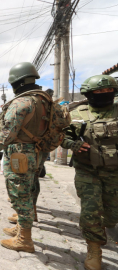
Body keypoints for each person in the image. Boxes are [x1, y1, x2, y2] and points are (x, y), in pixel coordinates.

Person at [0, 62, 49, 253]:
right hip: (37, 151)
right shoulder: (43, 100)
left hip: (20, 154)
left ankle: (24, 240)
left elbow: (7, 131)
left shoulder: (22, 102)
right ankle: (21, 228)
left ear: (15, 83)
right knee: (28, 189)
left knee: (20, 195)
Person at [60, 74, 118, 270]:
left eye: (107, 90)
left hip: (114, 172)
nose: (103, 94)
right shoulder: (78, 114)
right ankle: (94, 249)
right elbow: (63, 137)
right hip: (87, 170)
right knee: (90, 210)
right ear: (90, 94)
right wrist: (73, 144)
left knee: (111, 215)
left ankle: (103, 231)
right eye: (98, 91)